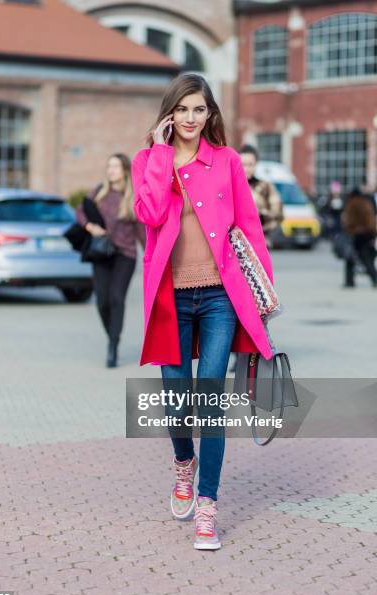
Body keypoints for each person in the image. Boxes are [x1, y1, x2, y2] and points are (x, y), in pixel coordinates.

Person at [131, 74, 274, 550]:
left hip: (220, 298)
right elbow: (150, 214)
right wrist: (158, 156)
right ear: (169, 113)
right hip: (172, 298)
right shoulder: (148, 161)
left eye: (199, 109)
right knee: (177, 404)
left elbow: (250, 229)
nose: (191, 118)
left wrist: (263, 294)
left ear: (210, 113)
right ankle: (182, 464)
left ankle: (208, 509)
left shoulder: (228, 161)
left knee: (210, 402)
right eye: (183, 109)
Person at [77, 153, 146, 367]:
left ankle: (113, 346)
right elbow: (80, 211)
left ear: (125, 170)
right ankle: (112, 335)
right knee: (101, 301)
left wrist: (152, 257)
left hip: (125, 255)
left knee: (116, 298)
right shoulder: (99, 191)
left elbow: (142, 231)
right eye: (109, 166)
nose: (111, 170)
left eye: (115, 167)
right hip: (101, 253)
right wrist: (90, 227)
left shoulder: (133, 195)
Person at [239, 144, 284, 249]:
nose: (246, 169)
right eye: (243, 164)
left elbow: (278, 214)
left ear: (256, 164)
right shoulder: (230, 186)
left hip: (261, 241)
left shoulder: (265, 186)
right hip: (236, 244)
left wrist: (259, 217)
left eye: (250, 164)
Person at [341, 187, 377, 288]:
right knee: (367, 259)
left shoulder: (352, 204)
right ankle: (374, 279)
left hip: (356, 235)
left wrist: (348, 230)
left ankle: (349, 281)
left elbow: (349, 221)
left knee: (350, 258)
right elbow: (371, 221)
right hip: (368, 234)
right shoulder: (367, 203)